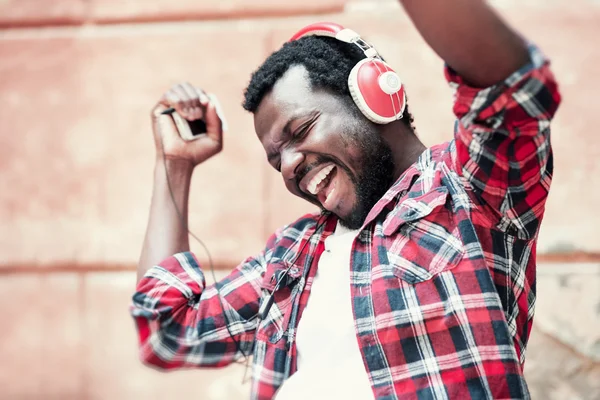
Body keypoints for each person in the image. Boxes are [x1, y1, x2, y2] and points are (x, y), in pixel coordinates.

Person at [131, 1, 561, 399]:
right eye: (274, 158)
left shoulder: (466, 186)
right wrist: (174, 164)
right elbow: (166, 334)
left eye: (299, 132)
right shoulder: (291, 255)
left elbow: (512, 90)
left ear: (372, 96)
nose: (287, 166)